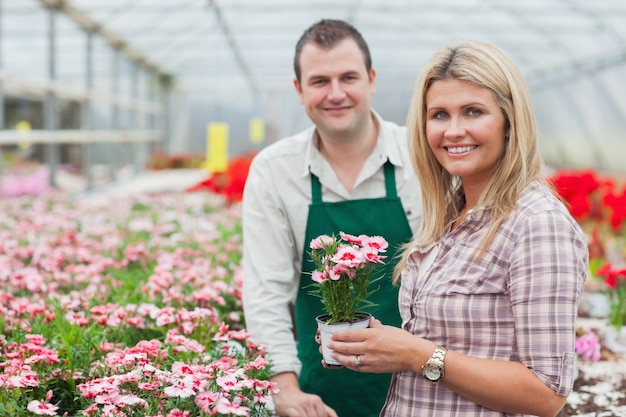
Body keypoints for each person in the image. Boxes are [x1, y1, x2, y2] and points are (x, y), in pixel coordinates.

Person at [324, 40, 588, 417]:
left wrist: (415, 354)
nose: (453, 131)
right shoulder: (452, 213)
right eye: (440, 115)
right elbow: (449, 343)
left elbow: (545, 393)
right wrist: (381, 343)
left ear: (510, 121)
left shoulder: (536, 224)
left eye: (473, 111)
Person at [241, 19, 422, 417]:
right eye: (320, 80)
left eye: (349, 77)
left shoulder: (421, 156)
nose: (336, 94)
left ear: (371, 80)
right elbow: (266, 290)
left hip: (424, 388)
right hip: (319, 392)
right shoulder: (275, 170)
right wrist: (284, 387)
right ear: (299, 89)